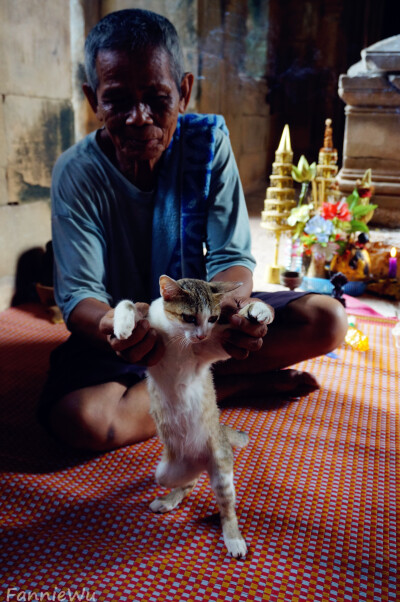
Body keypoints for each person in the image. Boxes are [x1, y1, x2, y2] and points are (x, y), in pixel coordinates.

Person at [38, 8, 348, 452]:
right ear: (93, 99)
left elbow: (231, 259)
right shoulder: (77, 172)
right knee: (86, 422)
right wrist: (115, 324)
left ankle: (193, 382)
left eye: (157, 98)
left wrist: (236, 311)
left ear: (184, 92)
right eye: (118, 100)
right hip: (131, 341)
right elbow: (79, 297)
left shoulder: (206, 145)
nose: (139, 117)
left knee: (327, 320)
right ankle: (228, 388)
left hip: (200, 324)